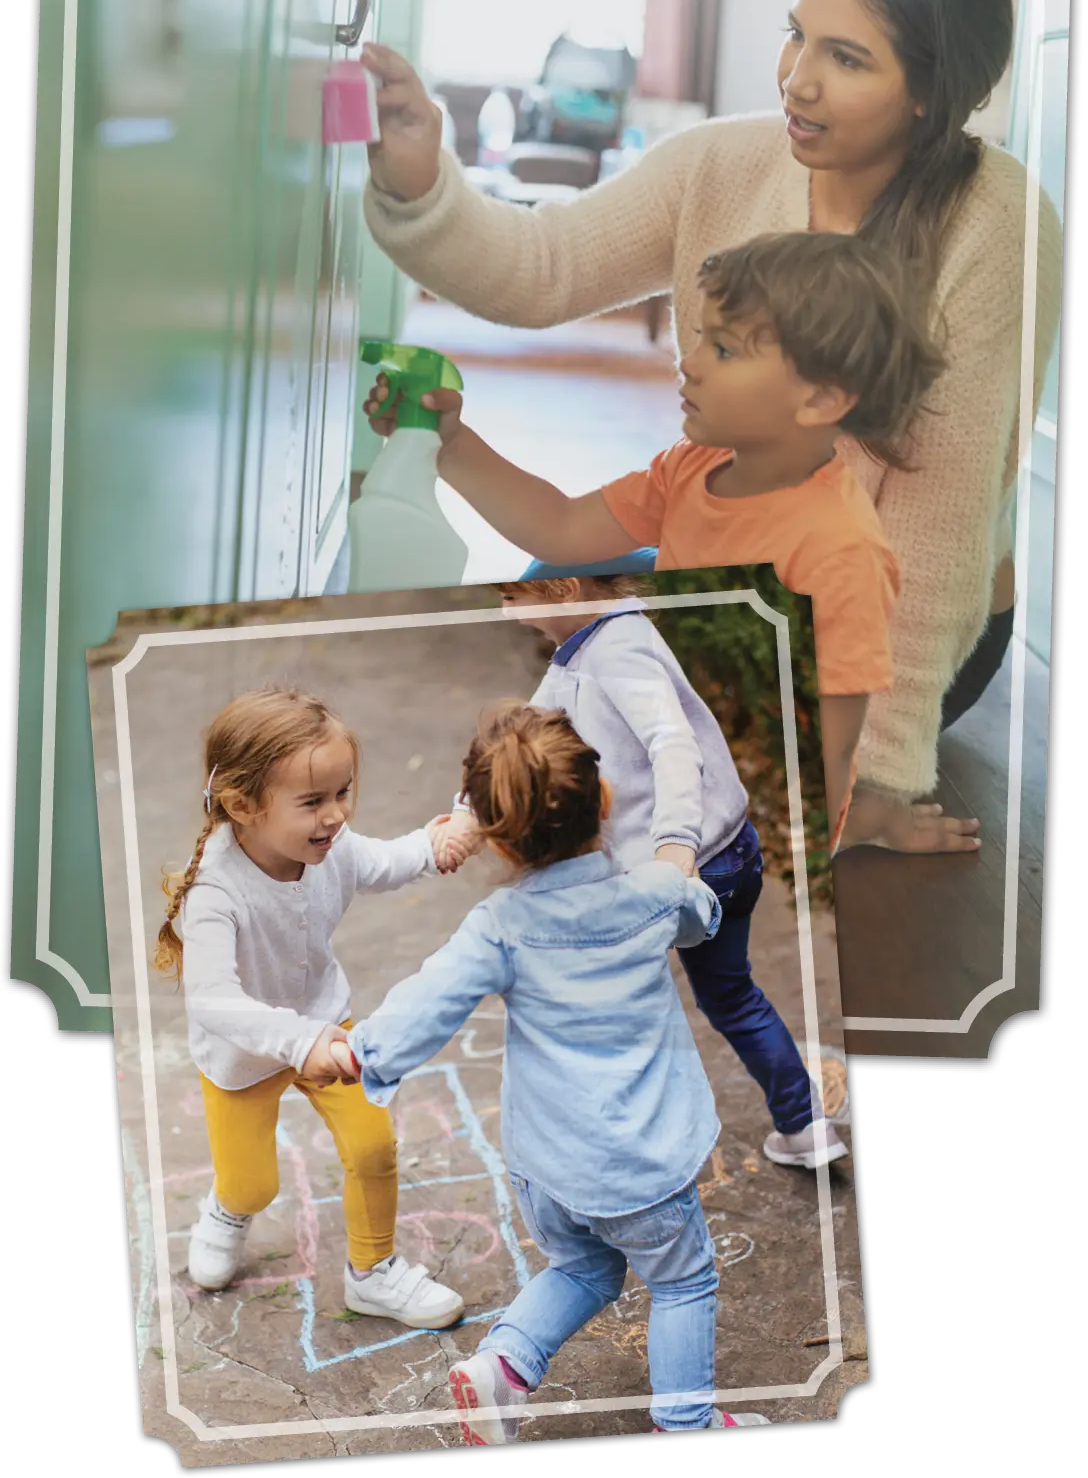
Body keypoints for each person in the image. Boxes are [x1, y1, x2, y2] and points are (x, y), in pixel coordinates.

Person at [357, 0, 1063, 856]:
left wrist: (865, 790)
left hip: (885, 636)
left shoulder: (1000, 227)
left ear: (931, 92)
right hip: (744, 569)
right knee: (549, 597)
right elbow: (541, 268)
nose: (798, 81)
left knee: (663, 744)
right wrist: (418, 181)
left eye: (847, 59)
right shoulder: (723, 164)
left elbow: (937, 534)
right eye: (796, 35)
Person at [365, 229, 951, 855]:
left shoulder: (840, 553)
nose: (690, 360)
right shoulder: (695, 463)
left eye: (723, 350)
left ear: (821, 399)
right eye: (700, 335)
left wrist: (825, 833)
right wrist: (449, 443)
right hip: (673, 692)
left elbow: (832, 733)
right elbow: (560, 526)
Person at [334, 703, 769, 1442]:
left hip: (548, 1168)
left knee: (586, 1268)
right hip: (645, 1166)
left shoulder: (501, 924)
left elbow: (430, 999)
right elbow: (702, 915)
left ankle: (502, 1366)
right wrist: (679, 872)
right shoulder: (651, 893)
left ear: (499, 840)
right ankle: (685, 1421)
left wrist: (367, 1050)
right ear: (604, 800)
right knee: (682, 1279)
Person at [434, 574, 848, 1171]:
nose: (507, 615)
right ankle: (804, 1125)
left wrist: (676, 843)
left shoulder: (618, 646)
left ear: (563, 587)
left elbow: (672, 742)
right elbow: (522, 739)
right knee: (731, 996)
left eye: (511, 598)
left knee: (617, 1006)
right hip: (725, 855)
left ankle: (627, 1153)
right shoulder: (582, 649)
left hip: (682, 870)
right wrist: (468, 815)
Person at [155, 686, 467, 1329]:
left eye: (342, 792)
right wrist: (300, 1044)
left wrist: (437, 844)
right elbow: (213, 999)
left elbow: (384, 860)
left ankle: (373, 1274)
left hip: (328, 1020)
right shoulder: (216, 892)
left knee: (372, 1144)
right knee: (252, 1185)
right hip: (244, 1056)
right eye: (313, 802)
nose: (335, 816)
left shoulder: (333, 845)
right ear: (243, 806)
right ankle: (227, 1207)